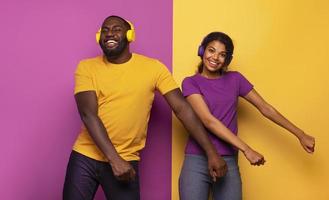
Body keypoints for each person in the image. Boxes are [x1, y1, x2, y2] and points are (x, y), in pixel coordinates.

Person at [63, 16, 227, 200]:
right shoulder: (86, 67)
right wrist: (114, 160)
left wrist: (211, 152)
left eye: (116, 29)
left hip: (126, 157)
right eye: (105, 30)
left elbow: (182, 109)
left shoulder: (153, 68)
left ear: (129, 34)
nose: (109, 33)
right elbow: (88, 114)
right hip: (85, 157)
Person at [179, 32, 316, 200]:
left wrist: (300, 135)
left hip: (228, 159)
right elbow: (208, 120)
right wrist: (247, 149)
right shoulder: (190, 82)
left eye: (222, 54)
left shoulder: (235, 79)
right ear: (202, 51)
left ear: (227, 60)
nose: (215, 57)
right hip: (197, 160)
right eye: (211, 50)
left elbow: (265, 108)